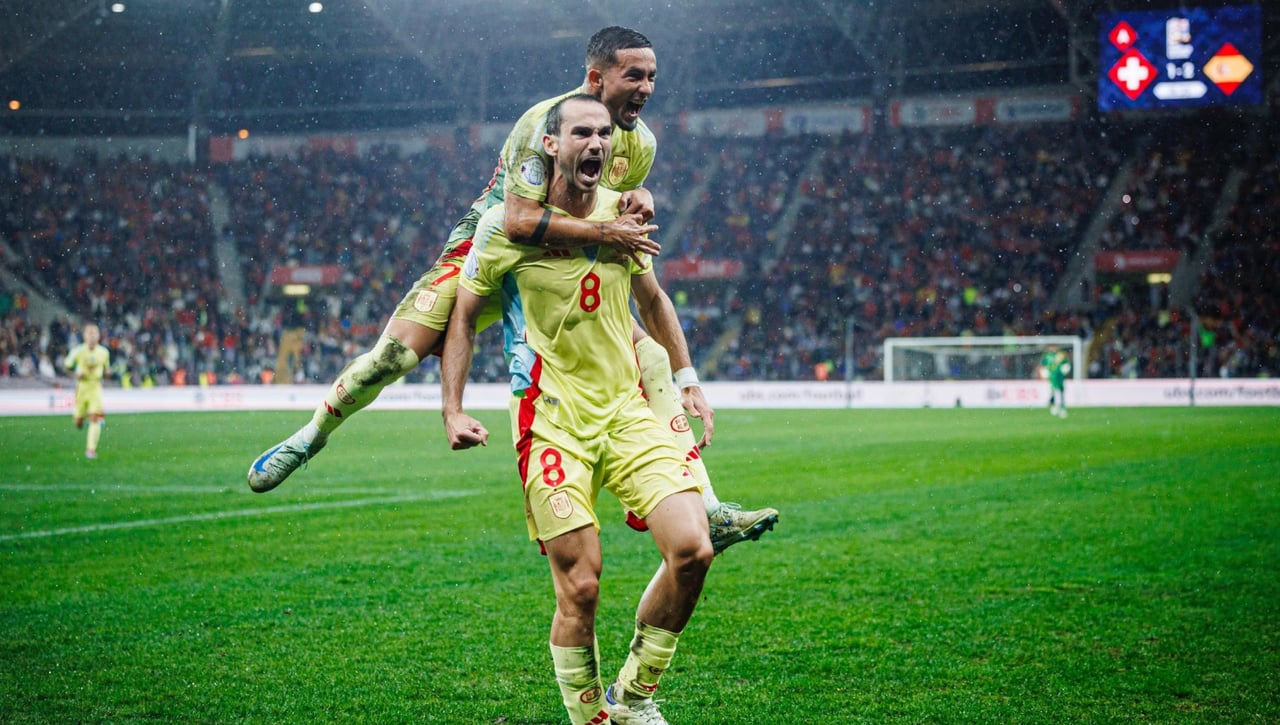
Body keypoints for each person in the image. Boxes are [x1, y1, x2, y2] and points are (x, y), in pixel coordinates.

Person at [247, 26, 777, 554]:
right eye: (633, 76)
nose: (646, 88)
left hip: (566, 261)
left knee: (652, 358)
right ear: (596, 79)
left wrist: (640, 197)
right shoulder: (540, 124)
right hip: (492, 247)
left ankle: (709, 508)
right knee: (391, 358)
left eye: (652, 77)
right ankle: (309, 437)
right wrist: (606, 229)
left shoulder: (640, 144)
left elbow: (613, 202)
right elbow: (519, 221)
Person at [443, 93, 711, 725]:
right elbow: (463, 318)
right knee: (581, 587)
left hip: (627, 413)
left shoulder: (625, 213)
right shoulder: (502, 230)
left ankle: (633, 698)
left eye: (603, 135)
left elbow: (653, 300)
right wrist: (452, 408)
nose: (596, 143)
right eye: (581, 133)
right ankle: (590, 720)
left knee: (694, 550)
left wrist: (687, 379)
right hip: (552, 422)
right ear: (550, 145)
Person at [64, 322, 110, 458]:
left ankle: (91, 450)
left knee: (94, 417)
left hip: (95, 386)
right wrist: (76, 375)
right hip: (81, 387)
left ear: (99, 335)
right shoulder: (77, 351)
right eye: (90, 333)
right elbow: (67, 367)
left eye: (95, 333)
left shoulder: (104, 352)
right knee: (78, 422)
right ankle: (82, 420)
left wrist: (108, 372)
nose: (92, 336)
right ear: (84, 336)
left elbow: (106, 368)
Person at [1038, 345, 1071, 418]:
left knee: (1061, 391)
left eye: (1054, 346)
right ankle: (1055, 406)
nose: (1052, 348)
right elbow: (1043, 364)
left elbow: (1066, 364)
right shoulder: (1047, 356)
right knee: (1053, 390)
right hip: (1052, 376)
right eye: (1051, 347)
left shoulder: (1061, 355)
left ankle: (1062, 407)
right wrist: (1044, 371)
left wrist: (1065, 369)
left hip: (1060, 376)